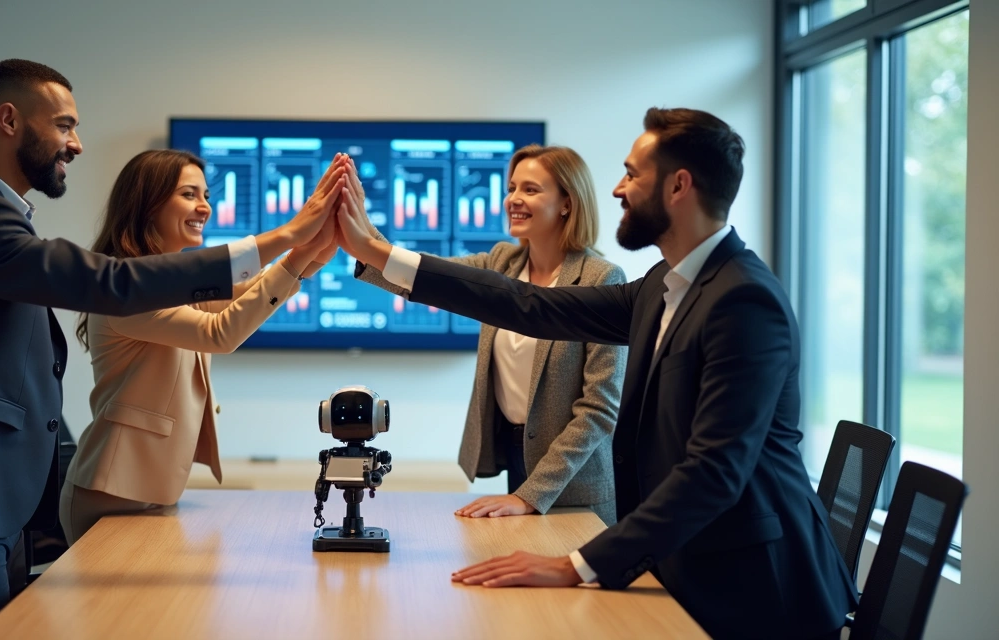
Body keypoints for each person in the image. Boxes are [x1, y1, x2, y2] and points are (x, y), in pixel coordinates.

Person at [0, 59, 344, 640]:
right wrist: (286, 237)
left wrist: (300, 257)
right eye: (64, 125)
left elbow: (217, 301)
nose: (77, 144)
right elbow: (114, 283)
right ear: (9, 120)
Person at [336, 108, 857, 639]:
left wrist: (576, 565)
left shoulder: (743, 300)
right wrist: (372, 249)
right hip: (686, 566)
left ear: (678, 186)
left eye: (632, 174)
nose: (616, 189)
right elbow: (529, 305)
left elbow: (713, 473)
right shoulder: (661, 286)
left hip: (756, 591)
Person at [58, 150, 336, 543]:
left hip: (146, 491)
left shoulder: (168, 284)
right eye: (189, 194)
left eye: (206, 195)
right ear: (147, 203)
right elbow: (219, 332)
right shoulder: (126, 287)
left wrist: (310, 254)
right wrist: (295, 245)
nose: (204, 206)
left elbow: (244, 293)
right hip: (111, 493)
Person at [348, 146, 625, 523]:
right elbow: (425, 277)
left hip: (573, 485)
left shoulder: (601, 279)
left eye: (530, 189)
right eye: (512, 188)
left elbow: (600, 407)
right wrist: (359, 223)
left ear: (567, 203)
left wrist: (530, 494)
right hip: (515, 457)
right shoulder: (502, 263)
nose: (514, 199)